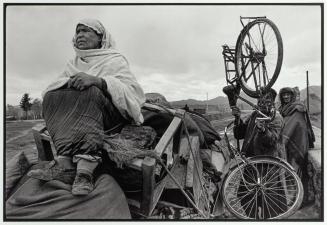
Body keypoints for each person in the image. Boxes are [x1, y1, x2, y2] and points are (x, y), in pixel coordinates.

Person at [28, 19, 145, 196]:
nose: (79, 35)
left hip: (109, 119)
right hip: (79, 119)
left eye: (85, 31)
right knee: (51, 96)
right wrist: (72, 82)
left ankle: (85, 172)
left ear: (101, 38)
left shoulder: (114, 60)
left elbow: (132, 93)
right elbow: (54, 86)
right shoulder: (73, 63)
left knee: (89, 91)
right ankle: (65, 160)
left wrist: (98, 81)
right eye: (77, 32)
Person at [232, 89, 287, 218]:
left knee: (270, 200)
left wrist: (263, 130)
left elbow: (272, 141)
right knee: (247, 197)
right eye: (261, 100)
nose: (263, 103)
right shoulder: (254, 115)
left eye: (267, 100)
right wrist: (237, 117)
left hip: (268, 165)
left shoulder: (276, 117)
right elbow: (238, 134)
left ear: (272, 102)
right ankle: (254, 219)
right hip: (251, 163)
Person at [278, 87, 315, 205]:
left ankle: (301, 200)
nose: (285, 97)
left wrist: (282, 139)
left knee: (296, 170)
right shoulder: (282, 109)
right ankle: (294, 199)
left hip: (298, 143)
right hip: (288, 145)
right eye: (283, 95)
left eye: (288, 94)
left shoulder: (298, 108)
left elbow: (296, 125)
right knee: (289, 172)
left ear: (292, 95)